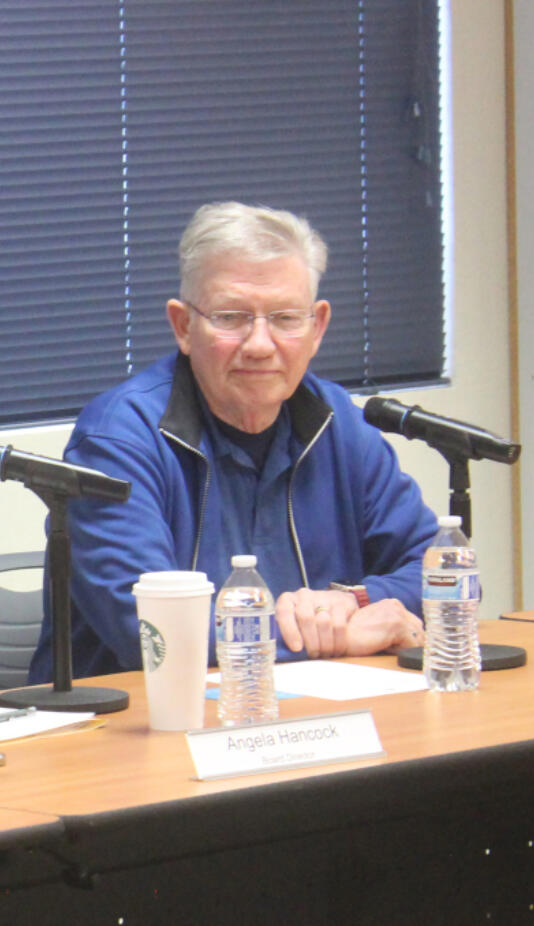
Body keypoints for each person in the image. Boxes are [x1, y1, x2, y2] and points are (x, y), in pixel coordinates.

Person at [29, 202, 437, 682]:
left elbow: (441, 570)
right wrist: (336, 638)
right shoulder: (119, 438)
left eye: (285, 318)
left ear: (317, 327)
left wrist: (353, 601)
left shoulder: (339, 424)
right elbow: (147, 631)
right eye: (231, 317)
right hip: (137, 731)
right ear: (183, 326)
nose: (260, 344)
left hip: (311, 720)